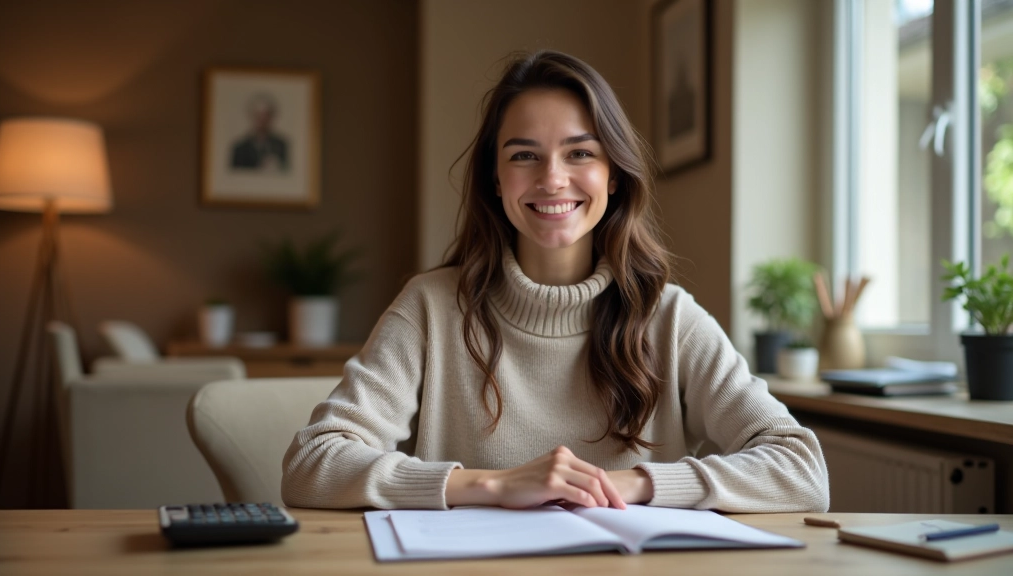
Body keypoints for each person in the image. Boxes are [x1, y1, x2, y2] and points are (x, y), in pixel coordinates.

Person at [282, 50, 829, 513]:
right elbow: (312, 464)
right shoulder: (430, 308)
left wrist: (632, 484)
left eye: (580, 153)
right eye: (524, 155)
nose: (552, 179)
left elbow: (801, 470)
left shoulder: (669, 317)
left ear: (612, 174)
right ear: (495, 180)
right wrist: (491, 485)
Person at [230, 93, 289, 171]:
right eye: (258, 115)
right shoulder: (240, 148)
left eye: (265, 115)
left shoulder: (281, 145)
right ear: (251, 116)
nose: (262, 120)